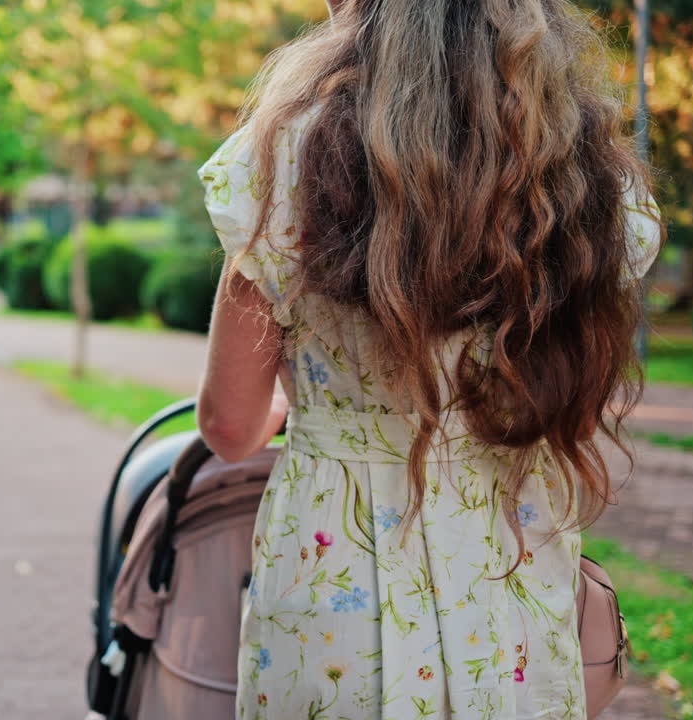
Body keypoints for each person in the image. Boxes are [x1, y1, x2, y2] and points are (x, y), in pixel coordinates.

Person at [195, 1, 661, 718]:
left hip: (332, 585)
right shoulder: (583, 177)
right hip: (509, 578)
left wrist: (314, 410)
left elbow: (230, 425)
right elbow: (568, 393)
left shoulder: (282, 156)